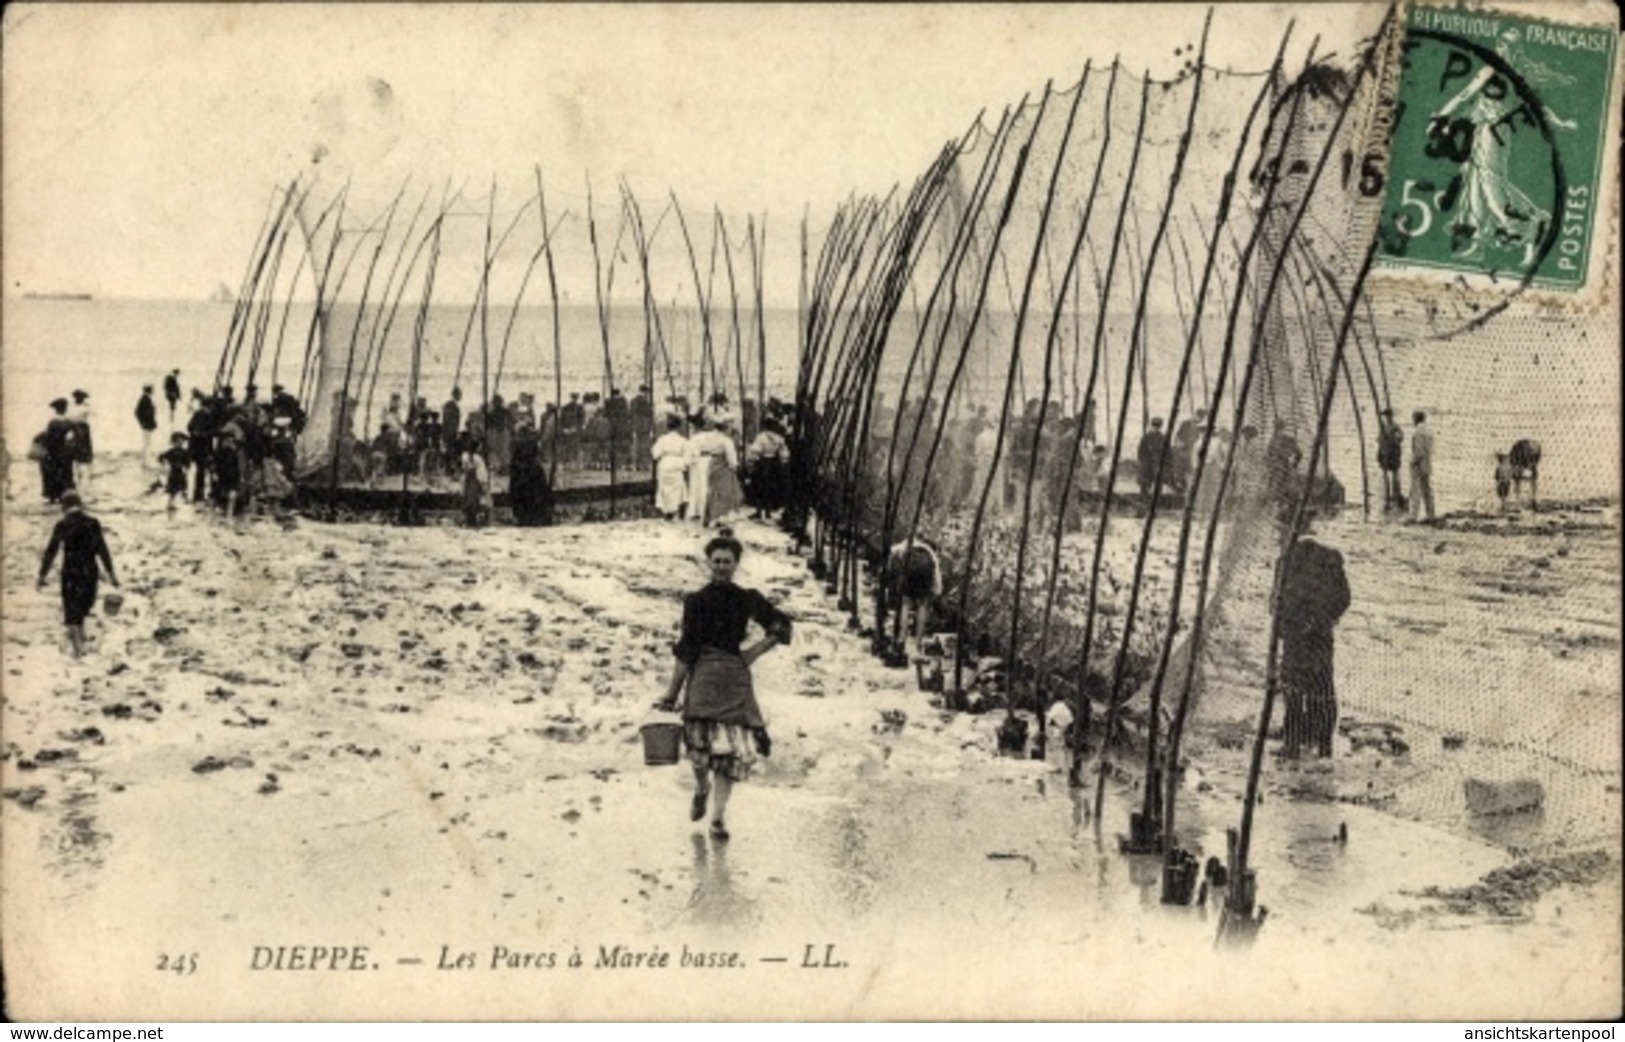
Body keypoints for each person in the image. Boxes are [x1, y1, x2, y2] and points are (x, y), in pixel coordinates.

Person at [656, 530, 792, 842]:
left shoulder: (747, 599)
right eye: (716, 561)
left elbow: (781, 625)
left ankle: (717, 818)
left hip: (734, 678)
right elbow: (686, 648)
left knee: (730, 753)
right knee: (700, 748)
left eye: (726, 562)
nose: (720, 567)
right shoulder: (696, 601)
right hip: (702, 676)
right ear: (707, 563)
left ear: (736, 564)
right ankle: (701, 787)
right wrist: (672, 692)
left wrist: (751, 654)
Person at [1277, 513, 1350, 759]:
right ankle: (1324, 744)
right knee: (1322, 688)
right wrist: (1324, 619)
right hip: (1320, 636)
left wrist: (1285, 630)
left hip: (1295, 636)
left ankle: (1293, 744)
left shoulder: (1285, 560)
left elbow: (1275, 604)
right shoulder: (1331, 558)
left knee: (1294, 690)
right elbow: (1343, 599)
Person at [36, 491, 119, 659]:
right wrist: (111, 574)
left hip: (70, 571)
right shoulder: (93, 523)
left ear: (63, 507)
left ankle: (78, 645)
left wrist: (42, 575)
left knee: (72, 606)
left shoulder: (62, 525)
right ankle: (79, 642)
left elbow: (51, 551)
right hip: (89, 570)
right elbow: (102, 550)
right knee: (85, 603)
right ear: (80, 505)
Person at [888, 537, 942, 657]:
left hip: (910, 568)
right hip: (925, 571)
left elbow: (892, 551)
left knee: (906, 603)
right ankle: (918, 641)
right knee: (922, 604)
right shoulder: (931, 555)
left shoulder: (910, 543)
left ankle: (902, 638)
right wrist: (937, 592)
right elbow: (937, 578)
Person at [744, 418, 789, 519]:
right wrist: (782, 462)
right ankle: (768, 512)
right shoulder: (779, 438)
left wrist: (752, 462)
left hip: (763, 463)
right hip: (774, 463)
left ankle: (759, 512)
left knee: (759, 487)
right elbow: (784, 453)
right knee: (770, 488)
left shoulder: (761, 437)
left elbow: (755, 451)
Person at [651, 415, 691, 520]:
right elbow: (687, 456)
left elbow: (655, 454)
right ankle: (676, 509)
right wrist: (685, 464)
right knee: (678, 487)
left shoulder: (662, 439)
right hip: (677, 463)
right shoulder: (683, 440)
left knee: (665, 487)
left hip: (665, 463)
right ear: (678, 427)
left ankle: (667, 510)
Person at [40, 398, 79, 503]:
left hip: (53, 452)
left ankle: (53, 496)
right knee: (66, 474)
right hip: (65, 452)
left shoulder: (52, 422)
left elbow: (48, 438)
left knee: (52, 473)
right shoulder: (69, 422)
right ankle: (64, 496)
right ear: (65, 409)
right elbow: (75, 437)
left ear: (56, 410)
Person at [1408, 410, 1436, 523]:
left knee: (1416, 490)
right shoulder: (1429, 431)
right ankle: (1431, 514)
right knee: (1427, 490)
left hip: (1418, 464)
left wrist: (1412, 461)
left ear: (1415, 419)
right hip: (1427, 462)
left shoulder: (1417, 432)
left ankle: (1414, 516)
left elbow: (1418, 452)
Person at [1376, 408, 1404, 511]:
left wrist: (1393, 438)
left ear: (1391, 416)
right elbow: (1379, 439)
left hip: (1393, 452)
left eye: (1388, 416)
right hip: (1385, 452)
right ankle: (1388, 494)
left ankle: (1396, 494)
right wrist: (1381, 440)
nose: (1387, 418)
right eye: (1385, 416)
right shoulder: (1383, 427)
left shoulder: (1395, 426)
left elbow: (1401, 437)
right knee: (1385, 474)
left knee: (1395, 474)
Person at [1136, 417, 1167, 505]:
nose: (1155, 428)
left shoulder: (1163, 438)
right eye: (1154, 426)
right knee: (1144, 485)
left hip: (1158, 464)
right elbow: (1141, 452)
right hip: (1147, 464)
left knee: (1158, 485)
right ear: (1151, 426)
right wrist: (1142, 463)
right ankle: (1143, 503)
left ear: (1160, 427)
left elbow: (1167, 453)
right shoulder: (1146, 437)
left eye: (1158, 426)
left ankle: (1156, 504)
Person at [158, 433, 190, 517]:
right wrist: (165, 463)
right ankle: (170, 503)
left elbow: (187, 461)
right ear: (174, 442)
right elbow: (161, 457)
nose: (179, 443)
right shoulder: (171, 451)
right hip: (173, 472)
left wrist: (186, 468)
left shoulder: (184, 452)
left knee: (179, 487)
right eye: (177, 442)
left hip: (180, 472)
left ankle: (174, 502)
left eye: (181, 442)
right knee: (173, 488)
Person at [68, 390, 94, 493]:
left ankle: (80, 469)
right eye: (80, 397)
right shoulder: (85, 407)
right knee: (83, 450)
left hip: (77, 428)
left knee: (79, 449)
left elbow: (70, 418)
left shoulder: (73, 407)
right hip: (80, 428)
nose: (80, 399)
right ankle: (82, 469)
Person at [461, 443, 491, 528]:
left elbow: (479, 472)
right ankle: (471, 519)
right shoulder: (470, 457)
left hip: (474, 480)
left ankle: (474, 519)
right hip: (472, 480)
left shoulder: (472, 457)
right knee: (471, 499)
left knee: (473, 500)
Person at [135, 385, 159, 469]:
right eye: (152, 390)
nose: (153, 391)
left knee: (147, 443)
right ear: (149, 390)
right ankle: (146, 463)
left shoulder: (146, 398)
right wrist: (143, 422)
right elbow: (138, 412)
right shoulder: (145, 399)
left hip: (147, 425)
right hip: (147, 425)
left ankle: (145, 462)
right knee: (147, 444)